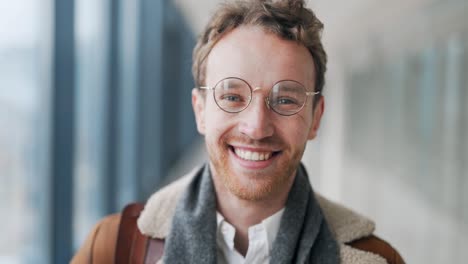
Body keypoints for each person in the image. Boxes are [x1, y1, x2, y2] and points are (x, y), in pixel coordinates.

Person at [72, 0, 404, 263]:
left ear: (316, 118)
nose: (257, 127)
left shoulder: (377, 259)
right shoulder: (115, 249)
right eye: (232, 97)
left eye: (285, 100)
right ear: (200, 110)